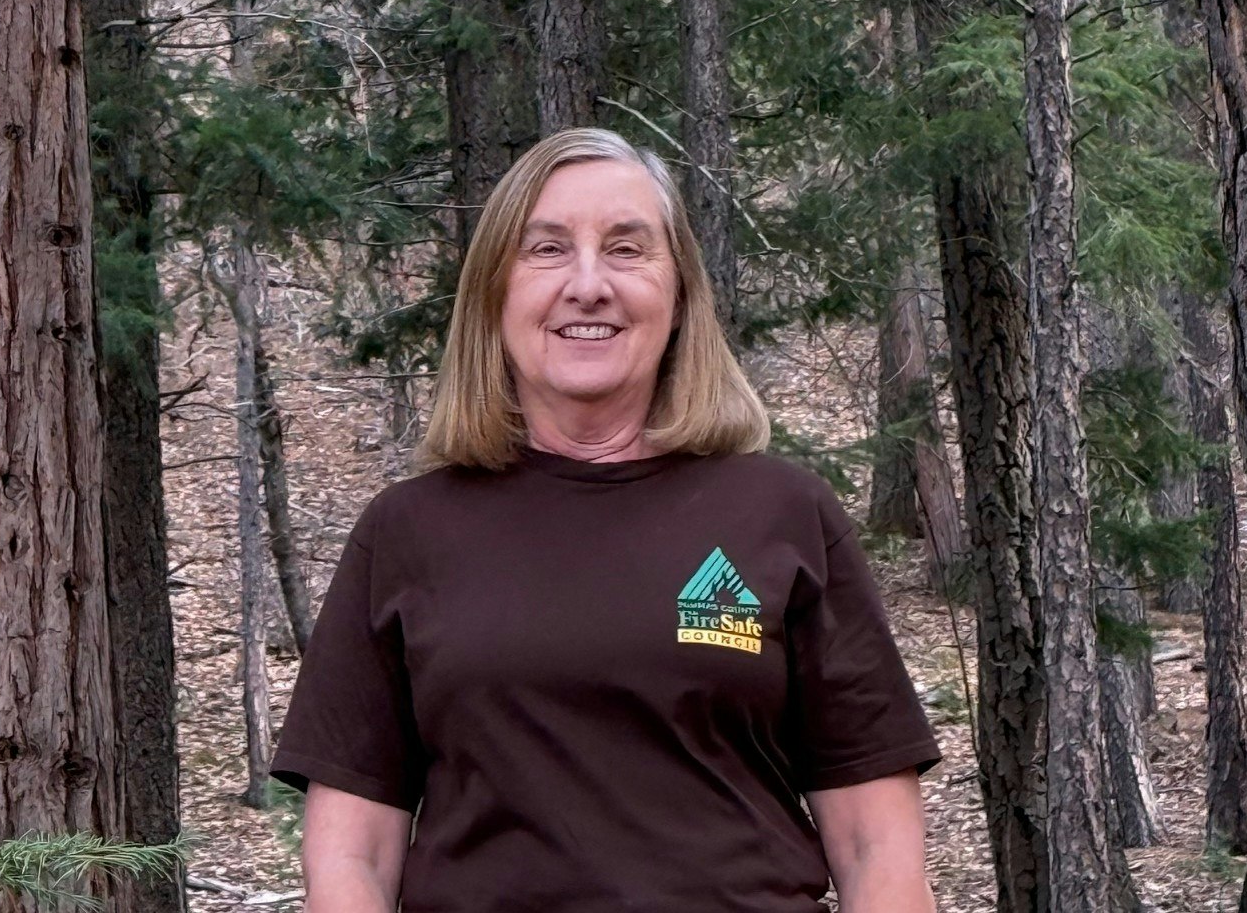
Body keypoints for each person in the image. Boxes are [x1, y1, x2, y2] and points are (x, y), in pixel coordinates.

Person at [270, 128, 942, 912]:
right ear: (495, 293)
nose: (588, 285)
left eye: (627, 249)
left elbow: (876, 845)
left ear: (681, 293)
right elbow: (354, 855)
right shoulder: (407, 532)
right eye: (547, 250)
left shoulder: (783, 514)